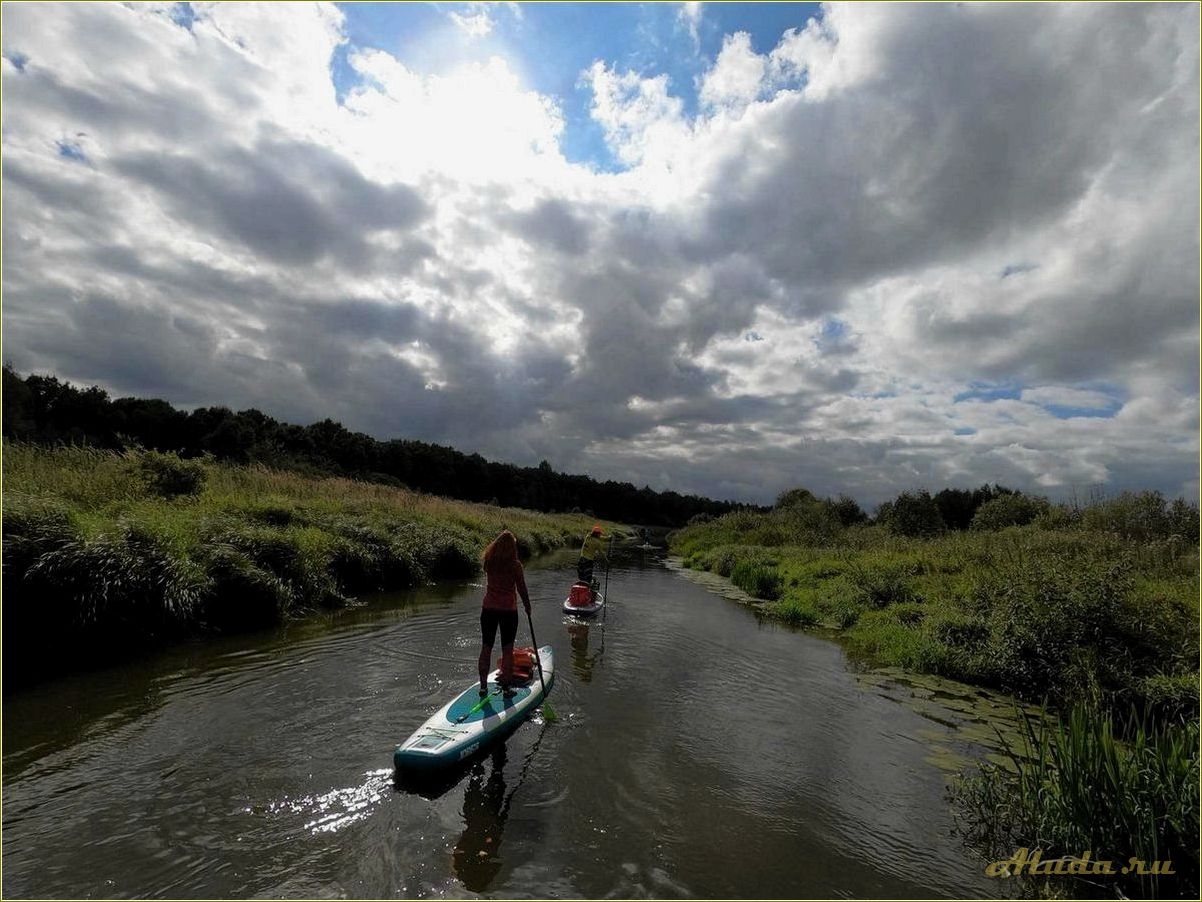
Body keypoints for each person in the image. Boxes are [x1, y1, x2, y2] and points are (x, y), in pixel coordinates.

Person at [479, 530, 531, 699]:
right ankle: (507, 689)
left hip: (489, 610)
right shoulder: (515, 565)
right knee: (507, 650)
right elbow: (521, 588)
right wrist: (527, 606)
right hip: (508, 611)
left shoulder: (489, 561)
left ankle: (483, 687)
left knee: (486, 647)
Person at [576, 524, 607, 589]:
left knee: (581, 577)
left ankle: (580, 590)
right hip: (588, 562)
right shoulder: (597, 543)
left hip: (581, 559)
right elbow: (601, 553)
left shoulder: (588, 536)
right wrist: (606, 560)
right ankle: (587, 592)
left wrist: (607, 538)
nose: (600, 535)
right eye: (599, 534)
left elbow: (599, 537)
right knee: (588, 578)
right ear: (597, 534)